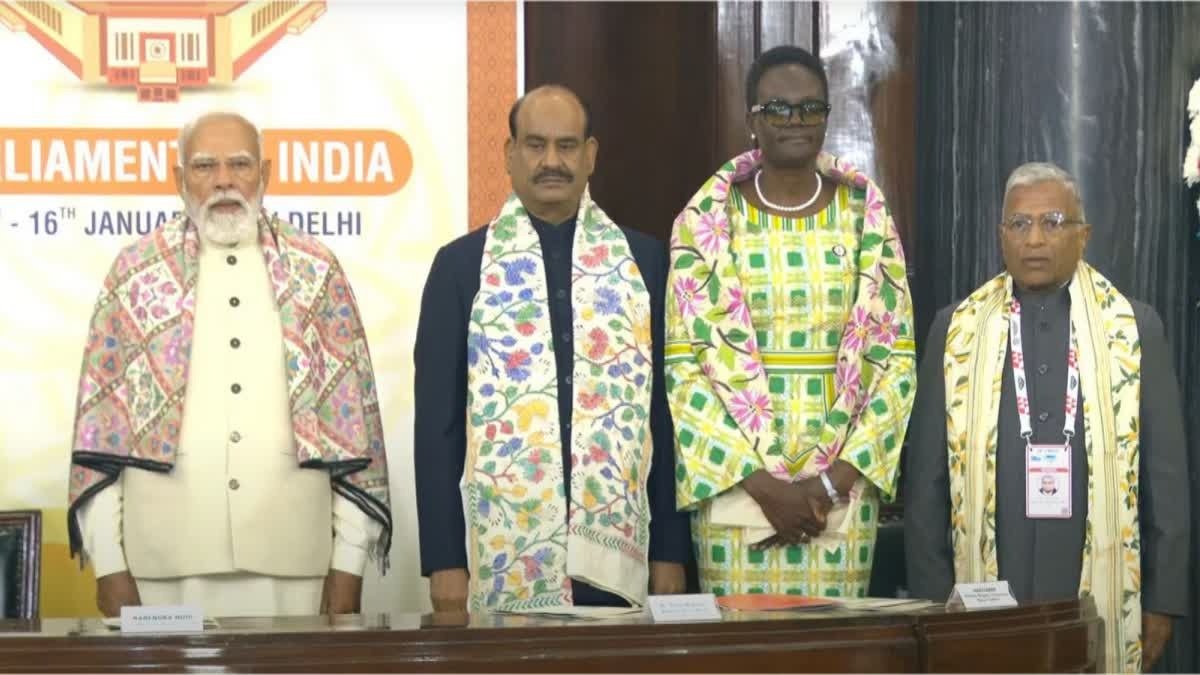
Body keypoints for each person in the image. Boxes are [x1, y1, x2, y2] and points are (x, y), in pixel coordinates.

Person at [67, 112, 391, 618]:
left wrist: (348, 565)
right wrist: (109, 565)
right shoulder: (134, 274)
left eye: (240, 164)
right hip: (162, 565)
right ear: (178, 179)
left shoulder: (316, 271)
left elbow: (353, 436)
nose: (223, 180)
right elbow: (103, 431)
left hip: (294, 561)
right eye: (204, 166)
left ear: (266, 174)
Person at [413, 85, 690, 613]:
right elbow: (436, 428)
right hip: (503, 557)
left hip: (623, 558)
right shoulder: (460, 267)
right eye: (535, 145)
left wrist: (671, 551)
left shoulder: (645, 263)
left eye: (567, 146)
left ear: (591, 155)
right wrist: (445, 559)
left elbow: (668, 416)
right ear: (509, 154)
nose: (551, 162)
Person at [904, 162, 1190, 672]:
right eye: (1019, 223)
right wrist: (932, 600)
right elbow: (926, 482)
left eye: (1053, 222)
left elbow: (1165, 479)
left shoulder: (1134, 327)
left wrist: (1162, 601)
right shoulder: (955, 330)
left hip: (1096, 593)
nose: (1034, 238)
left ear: (1084, 235)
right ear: (1001, 235)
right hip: (984, 591)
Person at [666, 45, 916, 598]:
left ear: (827, 116)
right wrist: (765, 487)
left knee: (834, 641)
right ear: (752, 120)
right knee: (742, 638)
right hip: (737, 488)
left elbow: (896, 361)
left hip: (842, 495)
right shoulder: (705, 222)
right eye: (777, 108)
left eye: (810, 108)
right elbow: (684, 369)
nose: (795, 120)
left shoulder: (866, 218)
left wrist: (831, 482)